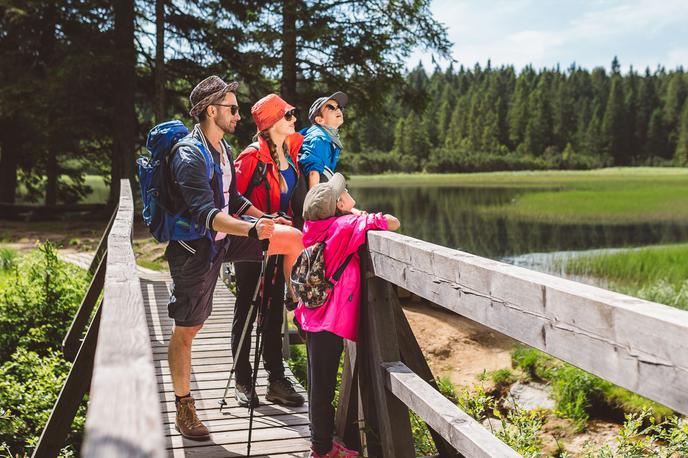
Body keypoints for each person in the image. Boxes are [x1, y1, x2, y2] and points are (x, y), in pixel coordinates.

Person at [165, 75, 303, 441]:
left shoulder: (223, 149)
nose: (239, 116)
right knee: (188, 330)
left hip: (226, 239)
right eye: (233, 108)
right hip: (196, 250)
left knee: (290, 238)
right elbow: (206, 214)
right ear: (212, 111)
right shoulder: (189, 154)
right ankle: (184, 407)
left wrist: (262, 218)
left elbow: (234, 200)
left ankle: (304, 305)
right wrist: (252, 230)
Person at [294, 173, 400, 458]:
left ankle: (323, 441)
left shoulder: (314, 228)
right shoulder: (344, 227)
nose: (347, 191)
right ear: (340, 205)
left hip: (311, 315)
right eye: (344, 192)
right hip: (328, 320)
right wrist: (355, 213)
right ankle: (321, 450)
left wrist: (348, 211)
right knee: (323, 388)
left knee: (320, 383)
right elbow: (392, 222)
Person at [231, 94, 306, 408]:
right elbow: (228, 203)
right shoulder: (250, 158)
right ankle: (243, 380)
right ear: (272, 122)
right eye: (288, 115)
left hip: (281, 240)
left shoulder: (292, 155)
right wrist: (260, 220)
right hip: (251, 240)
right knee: (247, 307)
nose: (293, 120)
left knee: (274, 309)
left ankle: (276, 379)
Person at [298, 91, 348, 188]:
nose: (338, 110)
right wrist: (315, 202)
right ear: (320, 120)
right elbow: (313, 173)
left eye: (339, 107)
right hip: (313, 195)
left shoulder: (328, 138)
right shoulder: (318, 139)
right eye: (331, 107)